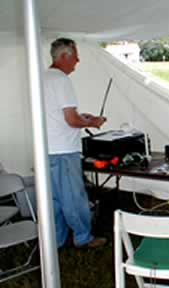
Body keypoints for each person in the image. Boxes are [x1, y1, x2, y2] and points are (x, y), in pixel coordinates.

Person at [44, 38, 107, 248]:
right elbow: (71, 120)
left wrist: (82, 118)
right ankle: (83, 237)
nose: (77, 61)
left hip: (45, 149)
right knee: (73, 198)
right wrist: (93, 122)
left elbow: (56, 115)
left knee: (53, 200)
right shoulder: (61, 80)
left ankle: (56, 240)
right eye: (75, 56)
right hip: (63, 149)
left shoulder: (42, 77)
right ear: (64, 56)